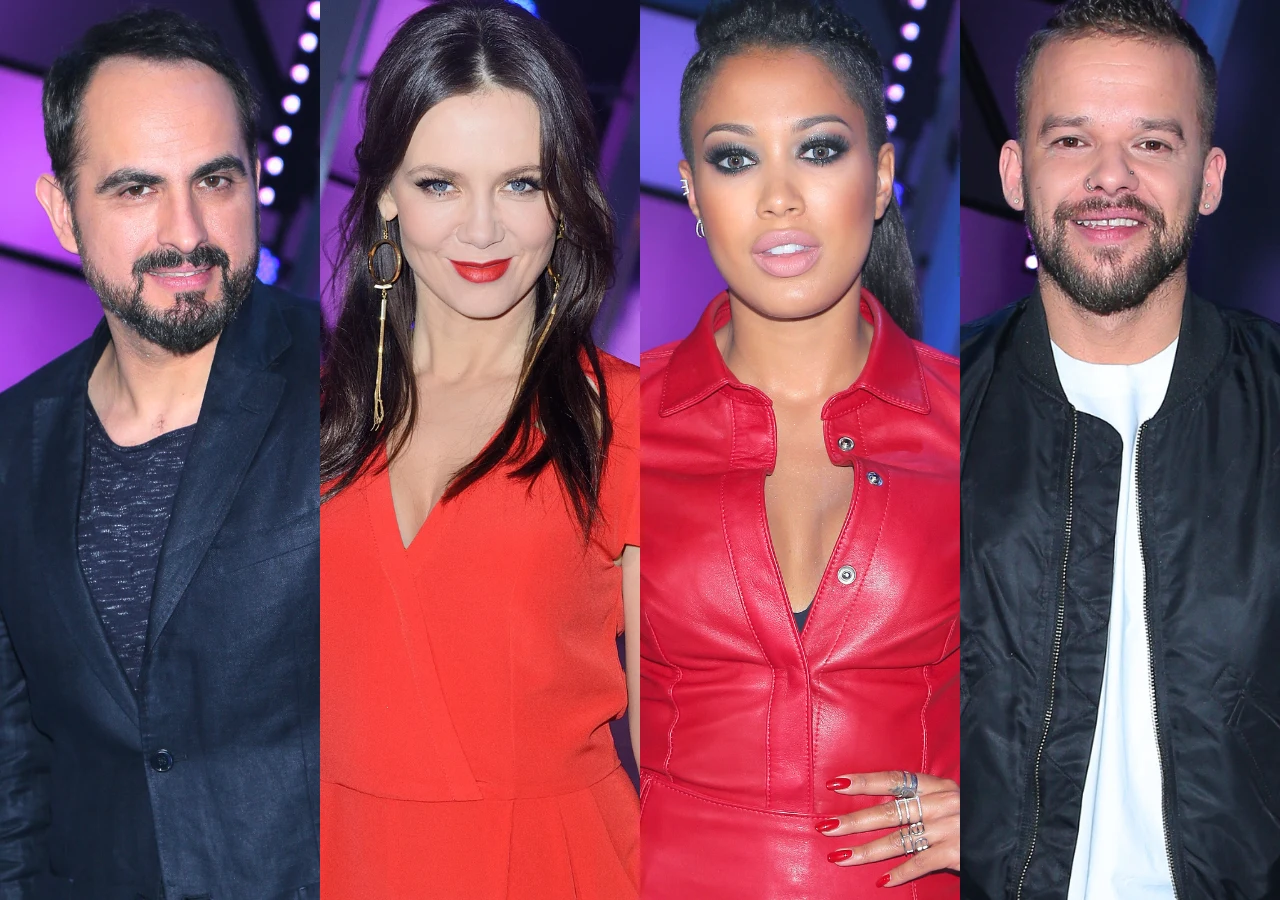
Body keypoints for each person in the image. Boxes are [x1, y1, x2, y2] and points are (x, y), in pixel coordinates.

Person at [318, 2, 639, 897]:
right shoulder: (313, 417)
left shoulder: (626, 419)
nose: (484, 229)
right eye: (440, 184)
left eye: (522, 184)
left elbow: (686, 743)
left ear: (565, 196)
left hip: (551, 868)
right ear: (387, 193)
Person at [961, 0, 1280, 897]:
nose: (1111, 178)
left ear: (1208, 178)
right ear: (1015, 172)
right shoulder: (928, 413)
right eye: (1071, 141)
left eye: (1151, 143)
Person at [639, 1, 959, 895]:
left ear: (882, 176)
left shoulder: (985, 422)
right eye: (735, 159)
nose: (778, 196)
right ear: (692, 191)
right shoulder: (616, 419)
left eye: (819, 150)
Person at [0, 9, 320, 899]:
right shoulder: (11, 450)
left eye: (214, 179)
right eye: (136, 189)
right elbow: (15, 780)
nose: (187, 231)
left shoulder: (362, 385)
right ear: (62, 213)